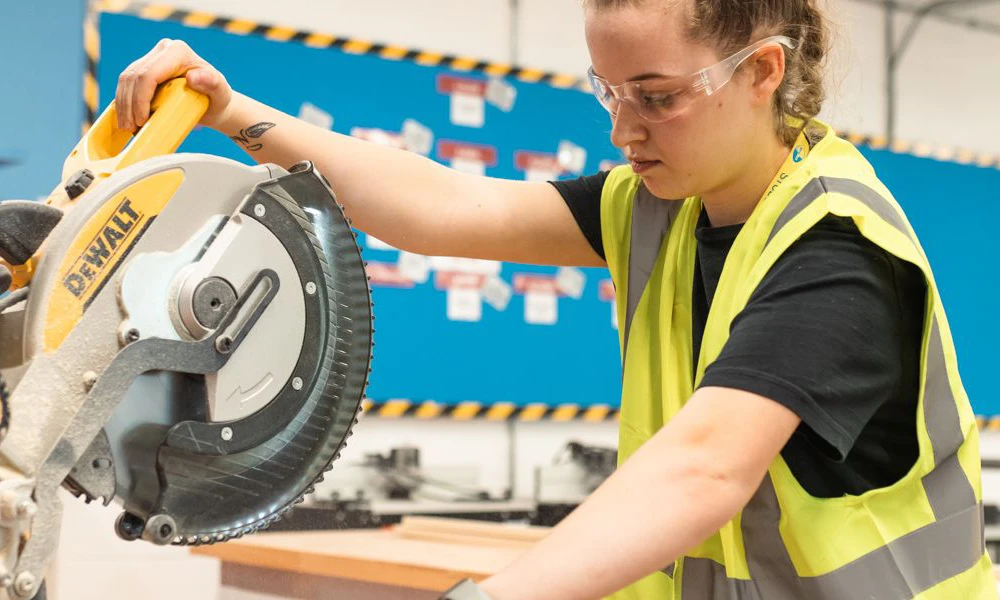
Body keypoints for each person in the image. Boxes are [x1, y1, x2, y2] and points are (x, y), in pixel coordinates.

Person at [114, 0, 995, 598]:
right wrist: (232, 111)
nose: (622, 128)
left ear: (761, 69)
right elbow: (448, 205)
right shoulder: (657, 210)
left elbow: (706, 468)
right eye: (608, 91)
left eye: (656, 97)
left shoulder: (836, 248)